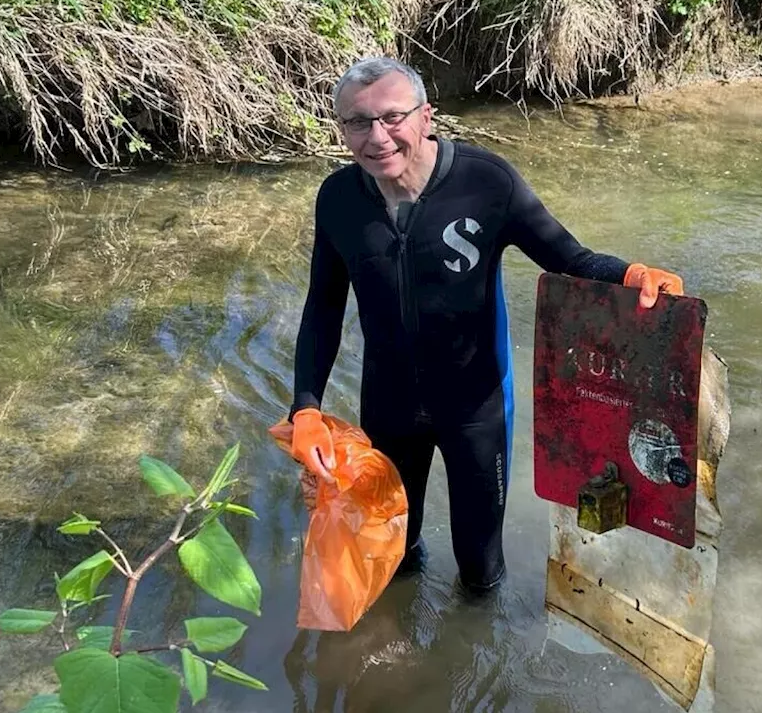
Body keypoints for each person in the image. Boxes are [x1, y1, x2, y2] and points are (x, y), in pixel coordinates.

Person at [285, 56, 683, 594]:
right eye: (358, 122)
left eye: (392, 117)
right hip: (389, 404)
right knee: (392, 553)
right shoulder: (337, 199)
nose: (377, 136)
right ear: (341, 129)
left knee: (479, 569)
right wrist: (305, 407)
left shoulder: (485, 182)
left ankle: (478, 658)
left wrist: (630, 274)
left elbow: (568, 257)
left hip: (476, 408)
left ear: (426, 116)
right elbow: (323, 308)